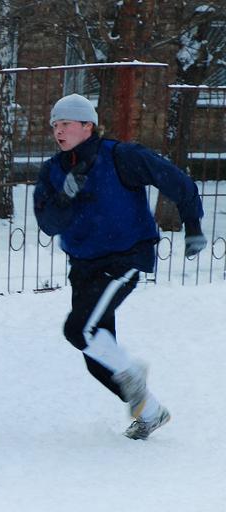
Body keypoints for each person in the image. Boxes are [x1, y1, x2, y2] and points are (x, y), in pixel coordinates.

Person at [33, 94, 206, 440]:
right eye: (55, 125)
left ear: (87, 126)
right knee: (96, 355)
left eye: (65, 123)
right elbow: (49, 224)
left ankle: (132, 373)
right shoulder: (54, 170)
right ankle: (151, 412)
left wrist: (193, 225)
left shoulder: (120, 156)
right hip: (83, 266)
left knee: (79, 330)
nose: (58, 131)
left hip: (124, 258)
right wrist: (65, 197)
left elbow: (174, 180)